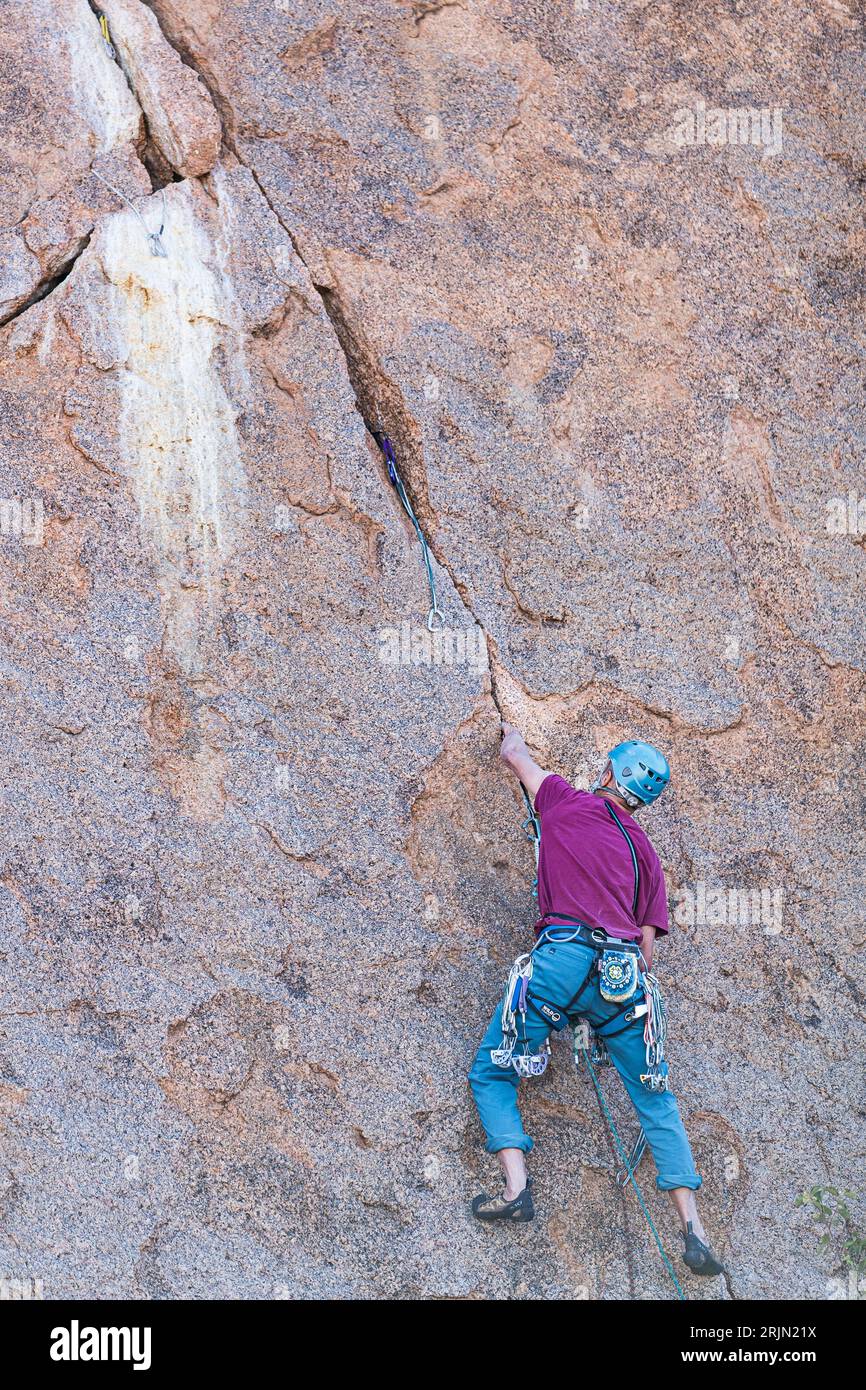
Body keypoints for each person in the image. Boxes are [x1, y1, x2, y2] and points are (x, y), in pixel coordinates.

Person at [468, 725, 725, 1277]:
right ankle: (693, 1229)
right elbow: (647, 951)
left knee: (493, 1072)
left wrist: (510, 726)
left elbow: (516, 755)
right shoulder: (647, 857)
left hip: (561, 960)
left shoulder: (566, 801)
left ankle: (516, 1189)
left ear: (610, 774)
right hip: (623, 979)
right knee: (655, 1098)